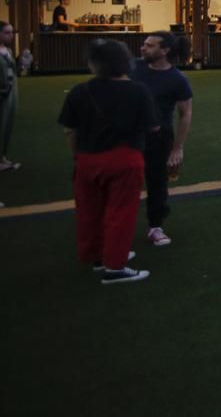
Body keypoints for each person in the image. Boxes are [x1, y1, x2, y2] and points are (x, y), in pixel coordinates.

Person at [58, 40, 160, 285]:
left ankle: (96, 256)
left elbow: (70, 130)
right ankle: (115, 265)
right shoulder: (138, 91)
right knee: (120, 213)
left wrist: (77, 156)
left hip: (87, 158)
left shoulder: (80, 91)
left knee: (89, 211)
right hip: (124, 157)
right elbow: (153, 126)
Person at [132, 32, 194, 246]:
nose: (143, 48)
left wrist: (178, 148)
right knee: (125, 182)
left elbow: (185, 113)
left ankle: (155, 226)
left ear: (165, 50)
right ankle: (118, 226)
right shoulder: (133, 68)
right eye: (144, 44)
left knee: (157, 183)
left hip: (159, 138)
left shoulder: (177, 79)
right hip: (129, 135)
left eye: (149, 45)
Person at [0, 21, 18, 177]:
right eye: (7, 32)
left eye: (12, 32)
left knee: (6, 125)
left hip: (10, 93)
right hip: (2, 93)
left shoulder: (8, 51)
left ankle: (2, 157)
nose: (11, 35)